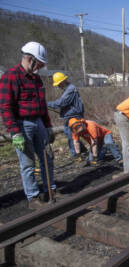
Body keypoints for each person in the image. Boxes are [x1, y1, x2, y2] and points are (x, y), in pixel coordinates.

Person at [0, 42, 56, 207]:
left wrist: (48, 125)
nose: (41, 67)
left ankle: (50, 189)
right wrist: (14, 132)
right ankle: (33, 197)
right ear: (30, 60)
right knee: (28, 163)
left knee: (47, 157)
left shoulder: (37, 79)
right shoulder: (11, 76)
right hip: (22, 124)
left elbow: (42, 105)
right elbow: (5, 106)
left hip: (38, 122)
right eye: (39, 63)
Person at [47, 72, 85, 156]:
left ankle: (76, 154)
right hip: (72, 115)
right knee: (72, 135)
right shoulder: (68, 89)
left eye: (58, 84)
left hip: (74, 116)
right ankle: (81, 151)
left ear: (63, 81)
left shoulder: (70, 90)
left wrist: (46, 104)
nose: (58, 86)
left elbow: (60, 103)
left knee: (71, 135)